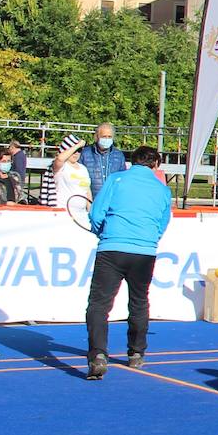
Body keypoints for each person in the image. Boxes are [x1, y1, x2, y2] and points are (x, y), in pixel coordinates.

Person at [83, 147, 174, 380]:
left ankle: (98, 355)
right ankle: (136, 353)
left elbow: (96, 213)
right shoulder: (162, 189)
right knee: (139, 301)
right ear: (155, 165)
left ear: (132, 162)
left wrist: (100, 231)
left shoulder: (116, 179)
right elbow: (163, 222)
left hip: (112, 247)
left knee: (99, 304)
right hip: (143, 251)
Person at [79, 122, 128, 198]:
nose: (107, 139)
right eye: (104, 136)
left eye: (109, 137)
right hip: (91, 200)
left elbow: (123, 178)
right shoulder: (85, 154)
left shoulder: (119, 155)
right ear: (96, 137)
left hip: (112, 200)